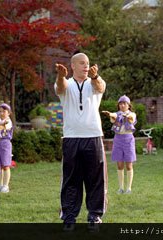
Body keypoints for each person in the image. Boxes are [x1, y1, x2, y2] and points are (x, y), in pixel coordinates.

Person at [55, 53, 107, 232]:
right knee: (71, 180)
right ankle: (69, 217)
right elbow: (60, 89)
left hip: (93, 137)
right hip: (71, 138)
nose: (86, 66)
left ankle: (95, 216)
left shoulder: (95, 81)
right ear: (73, 66)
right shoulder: (66, 83)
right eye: (82, 64)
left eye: (88, 63)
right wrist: (61, 76)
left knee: (95, 179)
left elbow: (99, 87)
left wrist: (95, 76)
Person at [102, 95, 137, 194]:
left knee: (129, 164)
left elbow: (131, 118)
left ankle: (128, 188)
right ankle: (121, 188)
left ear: (128, 105)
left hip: (129, 139)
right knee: (119, 164)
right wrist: (110, 114)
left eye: (124, 103)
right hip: (118, 139)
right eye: (120, 103)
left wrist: (127, 116)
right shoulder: (117, 114)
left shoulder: (132, 114)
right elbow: (114, 116)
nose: (122, 105)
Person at [0, 103, 13, 193]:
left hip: (5, 144)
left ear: (8, 113)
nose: (1, 113)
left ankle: (6, 185)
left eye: (4, 111)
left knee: (6, 165)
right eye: (0, 111)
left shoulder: (8, 121)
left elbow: (2, 127)